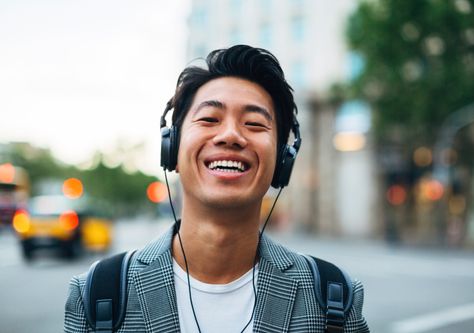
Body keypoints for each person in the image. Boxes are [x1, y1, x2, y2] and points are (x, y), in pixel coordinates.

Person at [64, 45, 369, 332]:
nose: (231, 135)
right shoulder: (97, 294)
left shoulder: (335, 299)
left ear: (281, 160)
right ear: (171, 149)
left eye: (254, 123)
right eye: (210, 119)